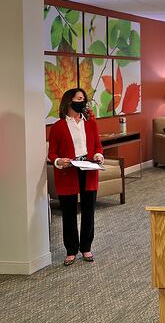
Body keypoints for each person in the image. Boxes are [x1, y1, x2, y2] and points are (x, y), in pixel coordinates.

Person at [47, 88, 104, 266]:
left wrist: (98, 156)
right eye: (79, 99)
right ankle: (71, 250)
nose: (83, 102)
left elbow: (98, 147)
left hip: (88, 169)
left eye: (83, 99)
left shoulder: (90, 123)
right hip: (68, 171)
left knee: (89, 211)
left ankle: (86, 247)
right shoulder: (58, 126)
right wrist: (58, 161)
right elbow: (52, 153)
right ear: (69, 101)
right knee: (69, 213)